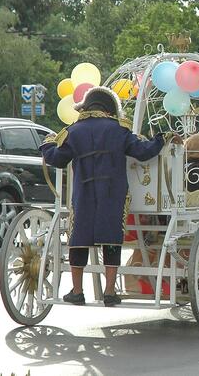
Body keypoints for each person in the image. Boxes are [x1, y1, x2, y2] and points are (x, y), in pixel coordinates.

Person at [40, 86, 166, 307]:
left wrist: (48, 143)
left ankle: (77, 291)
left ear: (87, 106)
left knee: (78, 238)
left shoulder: (74, 131)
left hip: (83, 192)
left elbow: (57, 159)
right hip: (112, 192)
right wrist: (160, 140)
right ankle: (109, 292)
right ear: (109, 109)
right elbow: (143, 152)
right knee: (111, 237)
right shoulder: (119, 129)